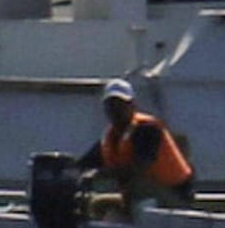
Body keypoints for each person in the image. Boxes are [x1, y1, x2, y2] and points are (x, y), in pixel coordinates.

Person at [75, 78, 196, 215]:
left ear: (132, 106)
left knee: (137, 186)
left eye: (121, 104)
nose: (116, 110)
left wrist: (99, 174)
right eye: (111, 105)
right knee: (97, 204)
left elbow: (139, 169)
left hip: (175, 197)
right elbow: (84, 164)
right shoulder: (111, 137)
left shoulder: (147, 129)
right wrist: (70, 170)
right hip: (147, 196)